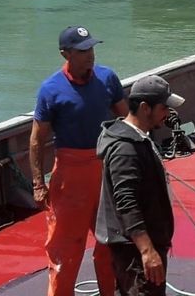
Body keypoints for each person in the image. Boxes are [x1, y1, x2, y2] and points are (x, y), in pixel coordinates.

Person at [30, 25, 127, 296]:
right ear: (65, 54)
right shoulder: (50, 89)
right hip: (70, 175)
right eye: (83, 51)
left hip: (105, 169)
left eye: (92, 48)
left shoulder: (108, 79)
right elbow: (37, 140)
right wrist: (38, 183)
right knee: (65, 249)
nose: (90, 55)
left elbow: (128, 121)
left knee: (110, 241)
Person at [95, 74, 185, 296]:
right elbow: (126, 202)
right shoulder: (126, 149)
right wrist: (147, 251)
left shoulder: (140, 138)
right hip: (134, 253)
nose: (168, 114)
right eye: (164, 108)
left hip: (142, 246)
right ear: (146, 108)